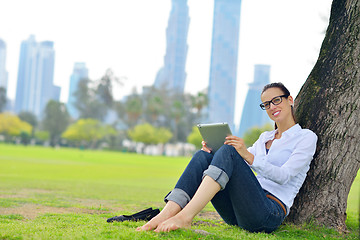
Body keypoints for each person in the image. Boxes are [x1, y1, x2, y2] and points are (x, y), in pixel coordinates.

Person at [137, 82, 318, 233]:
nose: (272, 107)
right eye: (266, 104)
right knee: (204, 155)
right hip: (238, 211)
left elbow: (284, 176)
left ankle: (185, 217)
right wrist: (214, 152)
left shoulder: (306, 137)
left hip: (268, 213)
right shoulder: (265, 137)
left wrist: (244, 154)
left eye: (276, 100)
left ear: (290, 100)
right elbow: (238, 163)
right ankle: (166, 213)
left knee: (229, 151)